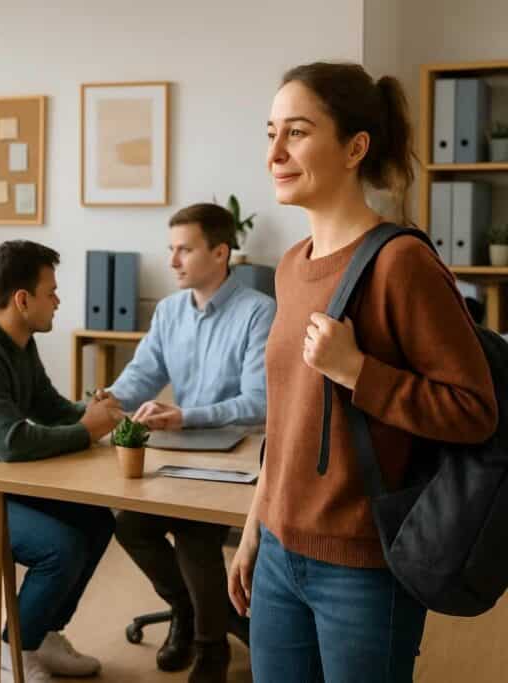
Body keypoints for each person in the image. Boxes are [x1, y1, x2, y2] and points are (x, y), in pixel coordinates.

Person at [227, 61, 497, 682]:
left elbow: (474, 410)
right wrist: (253, 529)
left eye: (296, 132)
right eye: (270, 132)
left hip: (363, 567)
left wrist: (357, 372)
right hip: (277, 554)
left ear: (355, 148)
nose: (275, 152)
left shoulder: (402, 263)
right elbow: (286, 419)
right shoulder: (291, 265)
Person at [0, 240, 121, 683]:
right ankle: (16, 650)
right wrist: (88, 430)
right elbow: (12, 441)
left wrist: (98, 413)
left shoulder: (17, 340)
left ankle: (43, 633)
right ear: (22, 300)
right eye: (51, 291)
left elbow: (48, 407)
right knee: (61, 548)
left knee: (98, 522)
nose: (58, 300)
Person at [100, 203, 275, 681]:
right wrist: (105, 400)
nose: (173, 261)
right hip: (177, 455)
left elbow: (258, 404)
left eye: (185, 250)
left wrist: (184, 417)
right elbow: (142, 376)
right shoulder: (170, 311)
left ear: (220, 253)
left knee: (195, 536)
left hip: (234, 459)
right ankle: (189, 611)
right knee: (131, 525)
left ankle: (210, 647)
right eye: (170, 250)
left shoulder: (259, 312)